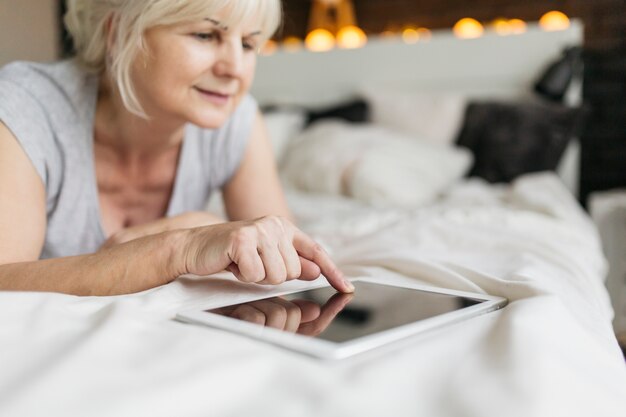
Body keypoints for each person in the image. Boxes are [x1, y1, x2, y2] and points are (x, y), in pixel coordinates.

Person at [0, 0, 354, 296]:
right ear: (118, 33)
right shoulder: (25, 108)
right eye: (205, 35)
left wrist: (200, 224)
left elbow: (286, 261)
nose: (234, 69)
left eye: (248, 44)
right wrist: (179, 247)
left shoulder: (236, 122)